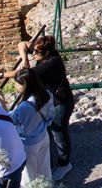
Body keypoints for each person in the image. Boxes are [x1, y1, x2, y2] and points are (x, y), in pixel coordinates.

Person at [19, 35, 75, 178]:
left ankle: (64, 165)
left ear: (47, 53)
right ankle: (50, 164)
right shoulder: (44, 52)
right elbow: (22, 44)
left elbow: (25, 75)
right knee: (51, 132)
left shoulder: (51, 63)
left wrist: (1, 75)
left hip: (60, 103)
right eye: (34, 52)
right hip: (51, 102)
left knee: (59, 135)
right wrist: (25, 59)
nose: (34, 55)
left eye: (37, 53)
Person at [9, 69, 54, 186]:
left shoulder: (25, 106)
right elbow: (50, 116)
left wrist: (2, 101)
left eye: (18, 83)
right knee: (45, 170)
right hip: (44, 136)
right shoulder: (47, 94)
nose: (15, 86)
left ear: (26, 84)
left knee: (29, 177)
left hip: (28, 145)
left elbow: (10, 121)